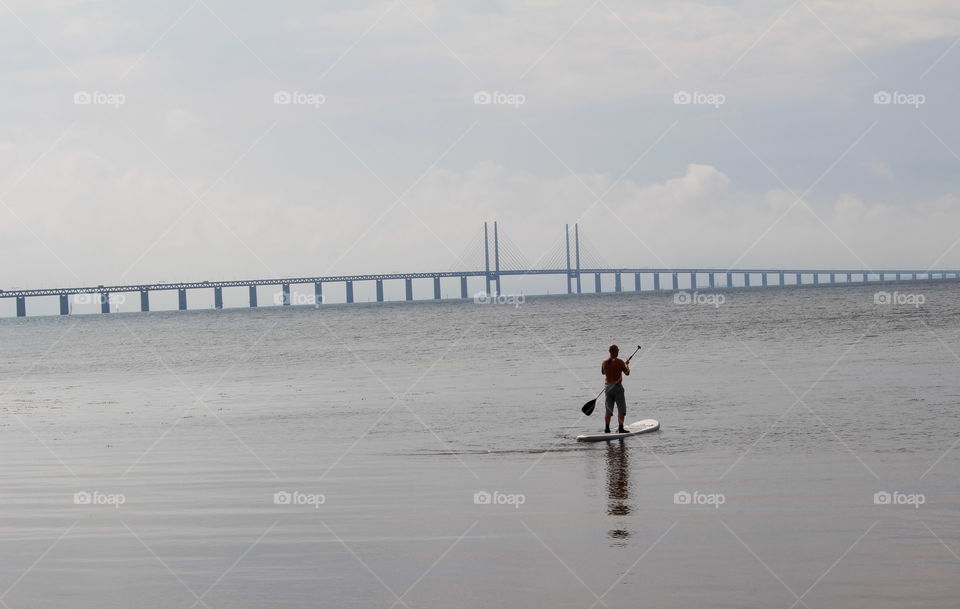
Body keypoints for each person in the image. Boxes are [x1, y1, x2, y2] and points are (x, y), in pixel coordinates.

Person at [601, 344, 630, 434]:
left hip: (608, 387)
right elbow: (627, 373)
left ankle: (607, 428)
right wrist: (627, 365)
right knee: (621, 408)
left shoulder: (604, 362)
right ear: (614, 351)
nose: (618, 352)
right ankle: (621, 428)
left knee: (608, 409)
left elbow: (603, 372)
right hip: (617, 387)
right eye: (617, 350)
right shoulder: (620, 362)